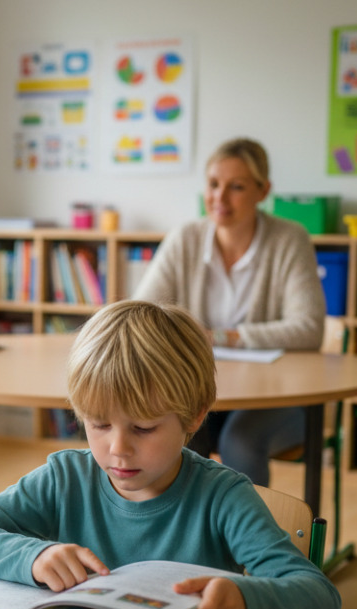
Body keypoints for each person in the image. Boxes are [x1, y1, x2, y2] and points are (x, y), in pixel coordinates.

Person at [0, 300, 340, 609]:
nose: (117, 449)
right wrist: (34, 556)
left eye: (143, 428)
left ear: (194, 417)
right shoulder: (65, 478)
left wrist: (247, 602)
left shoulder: (223, 497)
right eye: (99, 424)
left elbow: (319, 595)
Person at [135, 137, 326, 486]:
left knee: (241, 441)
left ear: (262, 190)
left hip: (276, 397)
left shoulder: (289, 239)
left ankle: (251, 540)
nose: (219, 198)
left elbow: (309, 328)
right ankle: (188, 537)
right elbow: (140, 314)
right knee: (176, 433)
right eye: (213, 184)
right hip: (201, 388)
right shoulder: (185, 239)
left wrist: (223, 337)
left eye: (236, 187)